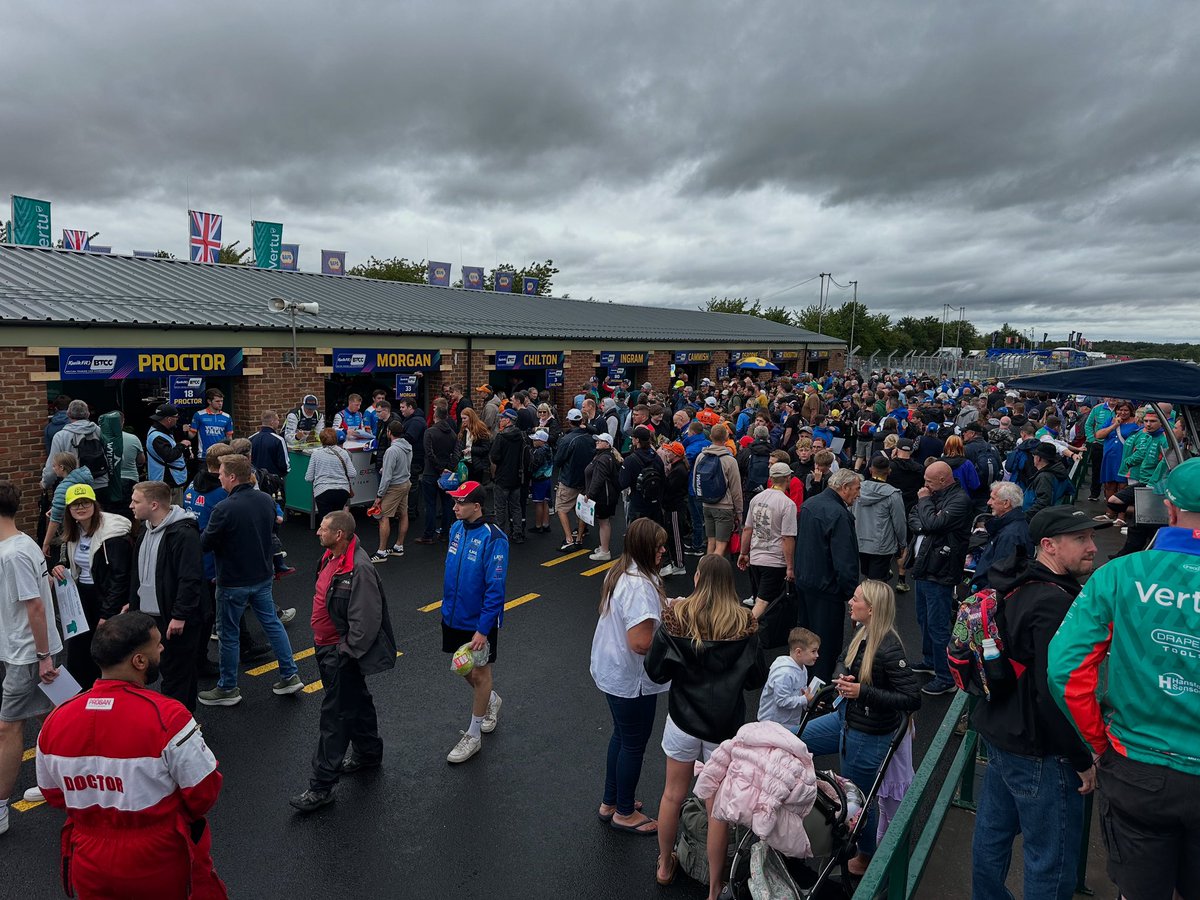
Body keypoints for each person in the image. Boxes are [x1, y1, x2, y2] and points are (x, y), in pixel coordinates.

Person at [1048, 459, 1200, 900]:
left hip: (1137, 764)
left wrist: (1098, 743)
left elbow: (1066, 671)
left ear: (1169, 511)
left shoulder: (1120, 573)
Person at [34, 612, 228, 898]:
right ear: (139, 661)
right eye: (157, 645)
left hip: (88, 859)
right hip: (157, 857)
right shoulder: (168, 717)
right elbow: (203, 791)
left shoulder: (55, 721)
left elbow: (52, 793)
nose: (162, 648)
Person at [970, 507, 1099, 900]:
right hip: (1039, 749)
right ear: (1049, 546)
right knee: (1051, 861)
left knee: (991, 837)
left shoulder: (1016, 581)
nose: (1093, 547)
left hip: (1000, 729)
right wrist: (1081, 758)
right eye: (1080, 539)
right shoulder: (1054, 603)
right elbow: (1051, 693)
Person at [644, 555, 768, 896]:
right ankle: (715, 888)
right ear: (729, 585)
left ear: (697, 579)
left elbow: (655, 671)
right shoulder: (744, 624)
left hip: (683, 720)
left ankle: (666, 864)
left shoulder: (676, 618)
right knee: (718, 810)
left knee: (672, 794)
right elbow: (756, 678)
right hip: (724, 728)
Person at [805, 580, 921, 875]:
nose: (850, 602)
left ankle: (865, 856)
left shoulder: (889, 647)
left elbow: (911, 698)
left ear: (870, 609)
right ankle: (815, 812)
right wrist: (841, 681)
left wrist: (863, 692)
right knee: (798, 741)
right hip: (846, 719)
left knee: (858, 801)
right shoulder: (863, 633)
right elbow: (844, 663)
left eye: (855, 599)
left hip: (868, 735)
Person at [289, 511, 397, 813]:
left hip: (341, 652)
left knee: (335, 716)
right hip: (327, 647)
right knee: (356, 700)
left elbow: (366, 620)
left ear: (339, 535)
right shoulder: (329, 557)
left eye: (323, 529)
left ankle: (321, 786)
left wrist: (346, 652)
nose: (317, 533)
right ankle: (368, 753)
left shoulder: (359, 568)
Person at [198, 456, 304, 706]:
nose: (219, 477)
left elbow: (205, 543)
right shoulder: (266, 500)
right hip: (262, 575)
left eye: (222, 474)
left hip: (233, 580)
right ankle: (290, 675)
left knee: (228, 633)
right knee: (272, 624)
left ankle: (227, 688)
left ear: (233, 477)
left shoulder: (224, 508)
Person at [590, 518, 671, 836]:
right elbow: (640, 642)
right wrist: (674, 637)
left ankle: (612, 801)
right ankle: (624, 812)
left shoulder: (622, 570)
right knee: (633, 744)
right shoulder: (640, 586)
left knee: (621, 737)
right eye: (659, 546)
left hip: (613, 672)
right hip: (630, 679)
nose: (663, 551)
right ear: (643, 548)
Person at [0, 480, 63, 837]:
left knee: (7, 727)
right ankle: (65, 779)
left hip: (28, 654)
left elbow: (35, 607)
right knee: (53, 713)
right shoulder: (19, 544)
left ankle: (0, 809)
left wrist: (43, 657)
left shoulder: (14, 553)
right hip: (23, 652)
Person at [125, 479, 209, 712]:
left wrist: (180, 615)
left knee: (176, 675)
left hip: (176, 619)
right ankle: (181, 720)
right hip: (153, 615)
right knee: (172, 671)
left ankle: (176, 727)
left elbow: (190, 578)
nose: (131, 505)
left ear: (153, 505)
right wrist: (133, 603)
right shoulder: (145, 530)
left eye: (136, 501)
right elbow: (139, 573)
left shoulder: (183, 534)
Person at [440, 481, 508, 764]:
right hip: (452, 616)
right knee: (463, 669)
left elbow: (495, 587)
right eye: (454, 502)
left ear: (476, 506)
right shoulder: (456, 528)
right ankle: (490, 699)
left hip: (479, 623)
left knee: (480, 674)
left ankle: (473, 735)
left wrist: (483, 629)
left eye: (460, 503)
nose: (455, 507)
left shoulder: (495, 538)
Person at [51, 484, 132, 690]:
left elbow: (119, 577)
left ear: (95, 504)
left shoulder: (112, 535)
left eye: (85, 502)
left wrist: (107, 613)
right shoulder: (75, 530)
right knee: (78, 652)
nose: (81, 507)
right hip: (81, 598)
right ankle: (79, 700)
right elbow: (72, 562)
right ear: (68, 509)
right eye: (75, 504)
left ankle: (109, 697)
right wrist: (61, 567)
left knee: (105, 653)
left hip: (104, 598)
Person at [906, 460, 973, 695]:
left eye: (929, 481)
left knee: (938, 625)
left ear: (943, 480)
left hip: (941, 571)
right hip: (924, 567)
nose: (924, 486)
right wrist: (927, 520)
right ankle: (930, 661)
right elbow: (915, 518)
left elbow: (932, 522)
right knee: (923, 619)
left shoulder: (959, 500)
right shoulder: (934, 495)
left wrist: (925, 506)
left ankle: (946, 677)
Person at [794, 468, 863, 683]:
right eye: (857, 488)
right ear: (844, 488)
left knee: (805, 641)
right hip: (828, 591)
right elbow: (845, 560)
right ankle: (820, 693)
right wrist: (851, 593)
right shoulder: (840, 515)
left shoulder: (809, 504)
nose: (858, 494)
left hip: (805, 585)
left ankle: (803, 684)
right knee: (825, 646)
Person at [736, 462, 798, 617]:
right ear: (788, 478)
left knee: (760, 599)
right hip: (774, 561)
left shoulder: (757, 498)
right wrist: (790, 567)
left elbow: (748, 528)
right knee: (763, 603)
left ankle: (758, 637)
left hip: (756, 558)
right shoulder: (787, 504)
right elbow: (787, 537)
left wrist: (743, 553)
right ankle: (743, 632)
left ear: (771, 478)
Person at [41, 399, 114, 506]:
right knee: (101, 520)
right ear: (88, 414)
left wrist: (45, 483)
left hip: (74, 487)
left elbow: (52, 467)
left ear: (68, 414)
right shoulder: (99, 431)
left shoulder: (61, 436)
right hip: (100, 484)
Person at [970, 481, 1034, 590]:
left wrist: (983, 597)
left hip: (989, 597)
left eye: (993, 499)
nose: (988, 502)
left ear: (1006, 503)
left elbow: (1001, 575)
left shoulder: (1010, 535)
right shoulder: (1011, 527)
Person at [756, 627, 820, 731]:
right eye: (813, 651)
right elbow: (781, 701)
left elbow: (801, 692)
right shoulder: (784, 674)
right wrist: (804, 699)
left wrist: (809, 701)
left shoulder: (803, 668)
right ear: (798, 652)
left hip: (789, 722)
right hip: (772, 725)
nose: (817, 655)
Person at [855, 455, 907, 581]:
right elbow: (899, 522)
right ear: (889, 471)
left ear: (871, 469)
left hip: (860, 541)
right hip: (882, 545)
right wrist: (902, 543)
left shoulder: (858, 489)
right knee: (877, 585)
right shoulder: (893, 494)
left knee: (867, 578)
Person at [695, 423, 743, 557]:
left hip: (706, 504)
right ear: (726, 437)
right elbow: (736, 489)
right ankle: (712, 574)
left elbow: (695, 480)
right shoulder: (729, 460)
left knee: (711, 542)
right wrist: (739, 512)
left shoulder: (701, 456)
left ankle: (704, 572)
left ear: (710, 437)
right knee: (721, 545)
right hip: (724, 506)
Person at [369, 419, 413, 563]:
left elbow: (387, 477)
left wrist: (379, 495)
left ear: (389, 433)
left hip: (394, 486)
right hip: (405, 483)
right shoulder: (408, 446)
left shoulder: (391, 450)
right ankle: (398, 547)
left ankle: (381, 553)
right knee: (403, 514)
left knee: (383, 516)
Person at [554, 408, 595, 552]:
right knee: (581, 510)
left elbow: (558, 460)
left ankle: (569, 539)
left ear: (569, 422)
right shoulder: (590, 437)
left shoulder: (567, 439)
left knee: (561, 508)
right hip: (585, 480)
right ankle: (579, 538)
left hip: (569, 479)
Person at [417, 403, 457, 543]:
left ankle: (429, 535)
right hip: (446, 473)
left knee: (430, 505)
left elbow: (429, 453)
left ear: (435, 416)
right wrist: (447, 468)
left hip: (430, 473)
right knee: (447, 504)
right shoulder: (452, 434)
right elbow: (456, 453)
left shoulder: (430, 432)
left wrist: (439, 468)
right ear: (446, 416)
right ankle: (445, 533)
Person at [489, 409, 529, 543]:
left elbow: (494, 457)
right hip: (517, 477)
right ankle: (517, 533)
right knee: (516, 507)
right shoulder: (522, 436)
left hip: (502, 477)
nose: (500, 420)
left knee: (500, 508)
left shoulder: (501, 437)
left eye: (502, 418)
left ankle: (500, 534)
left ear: (507, 420)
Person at [584, 432, 623, 561]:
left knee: (603, 522)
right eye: (597, 440)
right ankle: (603, 546)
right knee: (603, 522)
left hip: (603, 497)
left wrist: (589, 494)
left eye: (600, 441)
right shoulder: (606, 456)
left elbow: (598, 479)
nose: (597, 442)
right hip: (606, 496)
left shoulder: (603, 458)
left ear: (607, 444)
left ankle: (605, 551)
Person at [305, 427, 355, 521]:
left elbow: (308, 477)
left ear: (321, 440)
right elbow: (352, 474)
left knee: (325, 522)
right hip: (342, 491)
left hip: (323, 491)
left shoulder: (316, 454)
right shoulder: (344, 453)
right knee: (337, 521)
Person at [145, 403, 191, 505]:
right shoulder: (157, 437)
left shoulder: (162, 431)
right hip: (168, 482)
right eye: (176, 417)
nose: (177, 419)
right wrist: (182, 445)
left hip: (169, 481)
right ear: (169, 419)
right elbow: (169, 456)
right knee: (173, 514)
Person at [659, 441, 690, 576]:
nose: (666, 453)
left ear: (676, 454)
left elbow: (671, 489)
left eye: (669, 451)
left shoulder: (679, 470)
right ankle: (677, 561)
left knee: (676, 536)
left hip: (675, 507)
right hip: (673, 506)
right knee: (672, 534)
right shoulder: (677, 467)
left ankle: (679, 564)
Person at [1025, 442, 1074, 516]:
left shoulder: (1044, 477)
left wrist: (1023, 517)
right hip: (1052, 512)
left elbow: (1043, 503)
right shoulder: (1058, 470)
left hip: (1035, 520)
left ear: (1038, 458)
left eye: (1034, 455)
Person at [187, 388, 234, 459]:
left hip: (221, 456)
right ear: (209, 401)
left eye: (221, 401)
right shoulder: (199, 415)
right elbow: (191, 436)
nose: (220, 403)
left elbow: (229, 438)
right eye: (217, 401)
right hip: (204, 455)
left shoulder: (227, 417)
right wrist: (186, 430)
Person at [249, 409, 290, 488]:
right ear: (272, 422)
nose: (279, 422)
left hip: (255, 481)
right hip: (274, 481)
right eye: (277, 420)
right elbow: (284, 465)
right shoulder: (279, 440)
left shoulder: (251, 438)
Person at [528, 429, 555, 534]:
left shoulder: (539, 451)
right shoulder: (549, 449)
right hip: (547, 478)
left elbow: (535, 465)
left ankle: (538, 525)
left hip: (539, 480)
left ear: (542, 441)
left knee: (538, 502)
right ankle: (546, 524)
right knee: (545, 501)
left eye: (536, 440)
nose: (533, 441)